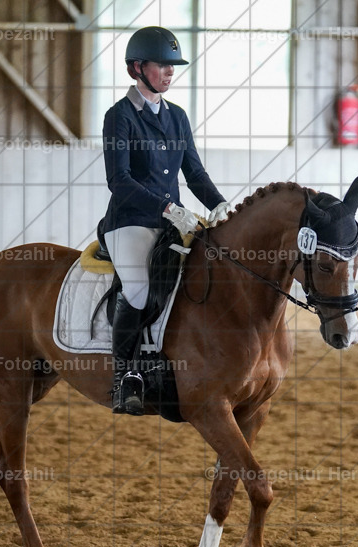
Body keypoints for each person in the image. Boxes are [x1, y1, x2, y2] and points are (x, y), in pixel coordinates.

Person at [99, 26, 232, 415]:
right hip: (130, 222)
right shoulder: (119, 116)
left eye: (173, 66)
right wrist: (168, 208)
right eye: (162, 65)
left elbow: (194, 173)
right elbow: (118, 181)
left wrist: (219, 204)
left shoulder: (177, 117)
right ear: (136, 68)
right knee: (139, 290)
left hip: (175, 222)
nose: (170, 73)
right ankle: (125, 379)